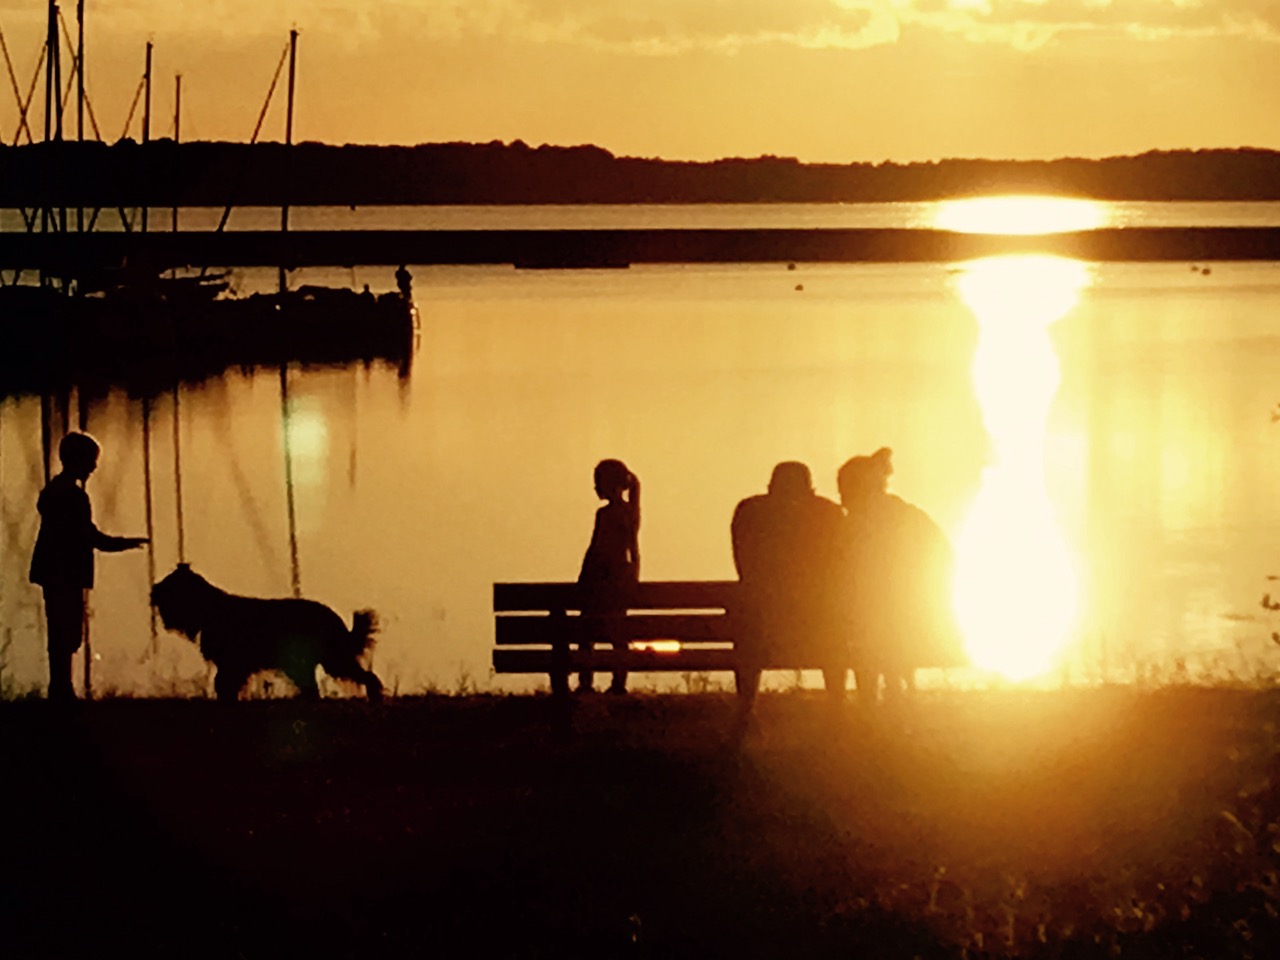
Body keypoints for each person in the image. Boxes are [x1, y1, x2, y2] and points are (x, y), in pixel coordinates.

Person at [836, 447, 964, 706]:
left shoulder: (849, 529)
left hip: (885, 625)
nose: (841, 499)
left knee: (868, 620)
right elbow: (946, 562)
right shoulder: (910, 517)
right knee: (877, 622)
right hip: (918, 622)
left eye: (844, 490)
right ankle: (895, 693)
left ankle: (870, 700)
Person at [29, 433, 148, 702]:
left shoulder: (53, 491)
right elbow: (90, 537)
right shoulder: (73, 496)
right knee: (67, 632)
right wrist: (125, 544)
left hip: (51, 571)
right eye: (91, 461)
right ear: (77, 460)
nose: (94, 467)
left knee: (60, 631)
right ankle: (61, 689)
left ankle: (60, 687)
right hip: (66, 572)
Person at [729, 462, 846, 724]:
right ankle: (837, 708)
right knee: (836, 631)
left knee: (746, 630)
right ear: (810, 489)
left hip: (761, 625)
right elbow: (840, 568)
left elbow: (744, 566)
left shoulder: (749, 512)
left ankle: (747, 709)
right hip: (818, 624)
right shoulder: (828, 513)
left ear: (771, 487)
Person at [576, 459, 640, 694]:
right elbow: (633, 549)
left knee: (586, 631)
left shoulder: (605, 515)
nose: (595, 488)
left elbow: (595, 548)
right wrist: (634, 575)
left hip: (600, 578)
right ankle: (618, 683)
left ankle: (585, 683)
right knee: (618, 632)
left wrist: (583, 577)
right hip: (620, 578)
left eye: (597, 483)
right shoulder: (631, 513)